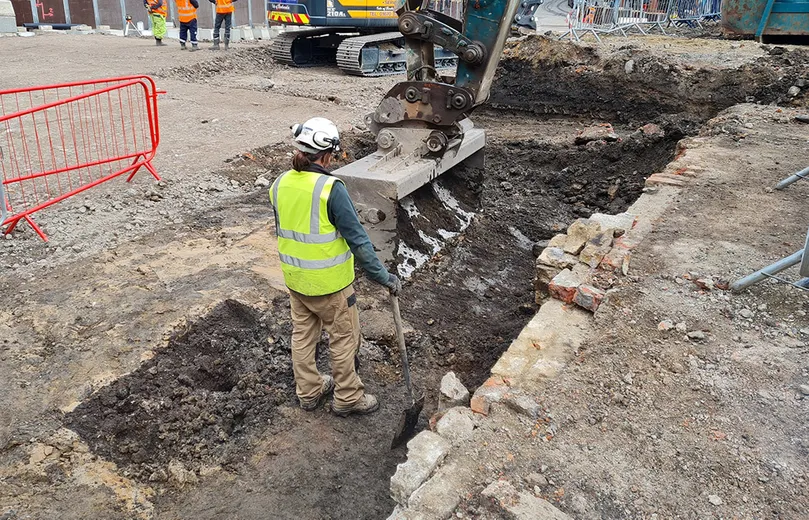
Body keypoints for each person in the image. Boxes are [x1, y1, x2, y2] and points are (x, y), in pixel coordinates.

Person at [268, 117, 401, 417]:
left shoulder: (279, 184)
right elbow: (360, 243)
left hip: (296, 280)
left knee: (303, 336)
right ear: (327, 154)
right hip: (330, 285)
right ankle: (348, 397)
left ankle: (309, 391)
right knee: (344, 339)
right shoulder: (331, 189)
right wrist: (384, 278)